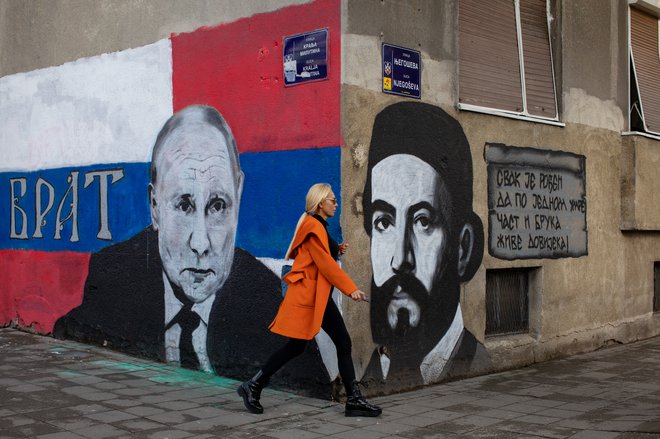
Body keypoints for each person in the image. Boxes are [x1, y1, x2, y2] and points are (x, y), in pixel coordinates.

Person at [53, 106, 327, 387]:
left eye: (218, 205)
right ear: (155, 207)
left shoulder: (270, 299)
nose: (200, 243)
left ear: (239, 195)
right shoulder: (114, 273)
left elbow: (312, 387)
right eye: (184, 205)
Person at [361, 102, 489, 391]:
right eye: (384, 222)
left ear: (463, 247)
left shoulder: (477, 364)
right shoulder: (370, 374)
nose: (400, 259)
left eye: (422, 221)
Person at [237, 183, 382, 417]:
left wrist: (337, 250)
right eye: (332, 200)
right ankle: (253, 385)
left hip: (317, 295)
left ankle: (253, 385)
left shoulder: (317, 226)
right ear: (320, 203)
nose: (336, 203)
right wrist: (350, 289)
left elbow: (323, 252)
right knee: (331, 343)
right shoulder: (313, 226)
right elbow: (324, 264)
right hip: (311, 296)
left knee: (307, 345)